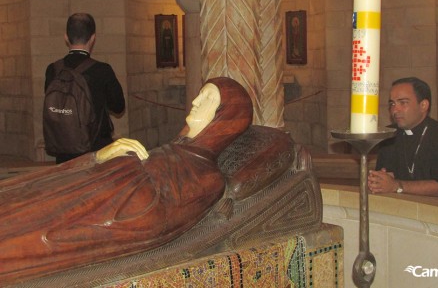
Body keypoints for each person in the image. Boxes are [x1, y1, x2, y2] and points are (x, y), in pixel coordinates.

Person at [0, 77, 253, 285]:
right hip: (82, 188)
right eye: (200, 94)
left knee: (20, 229)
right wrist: (100, 157)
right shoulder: (171, 151)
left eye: (208, 98)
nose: (195, 101)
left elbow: (158, 224)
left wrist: (129, 172)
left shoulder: (209, 177)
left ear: (225, 119)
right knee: (22, 196)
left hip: (94, 212)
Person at [368, 77, 438, 201]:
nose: (395, 110)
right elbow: (386, 175)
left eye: (403, 103)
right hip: (404, 208)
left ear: (423, 105)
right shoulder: (389, 135)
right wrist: (379, 180)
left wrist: (396, 185)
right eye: (392, 103)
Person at [44, 13, 125, 163]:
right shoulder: (102, 70)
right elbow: (119, 106)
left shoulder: (53, 69)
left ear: (66, 37)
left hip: (63, 151)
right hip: (96, 151)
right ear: (93, 38)